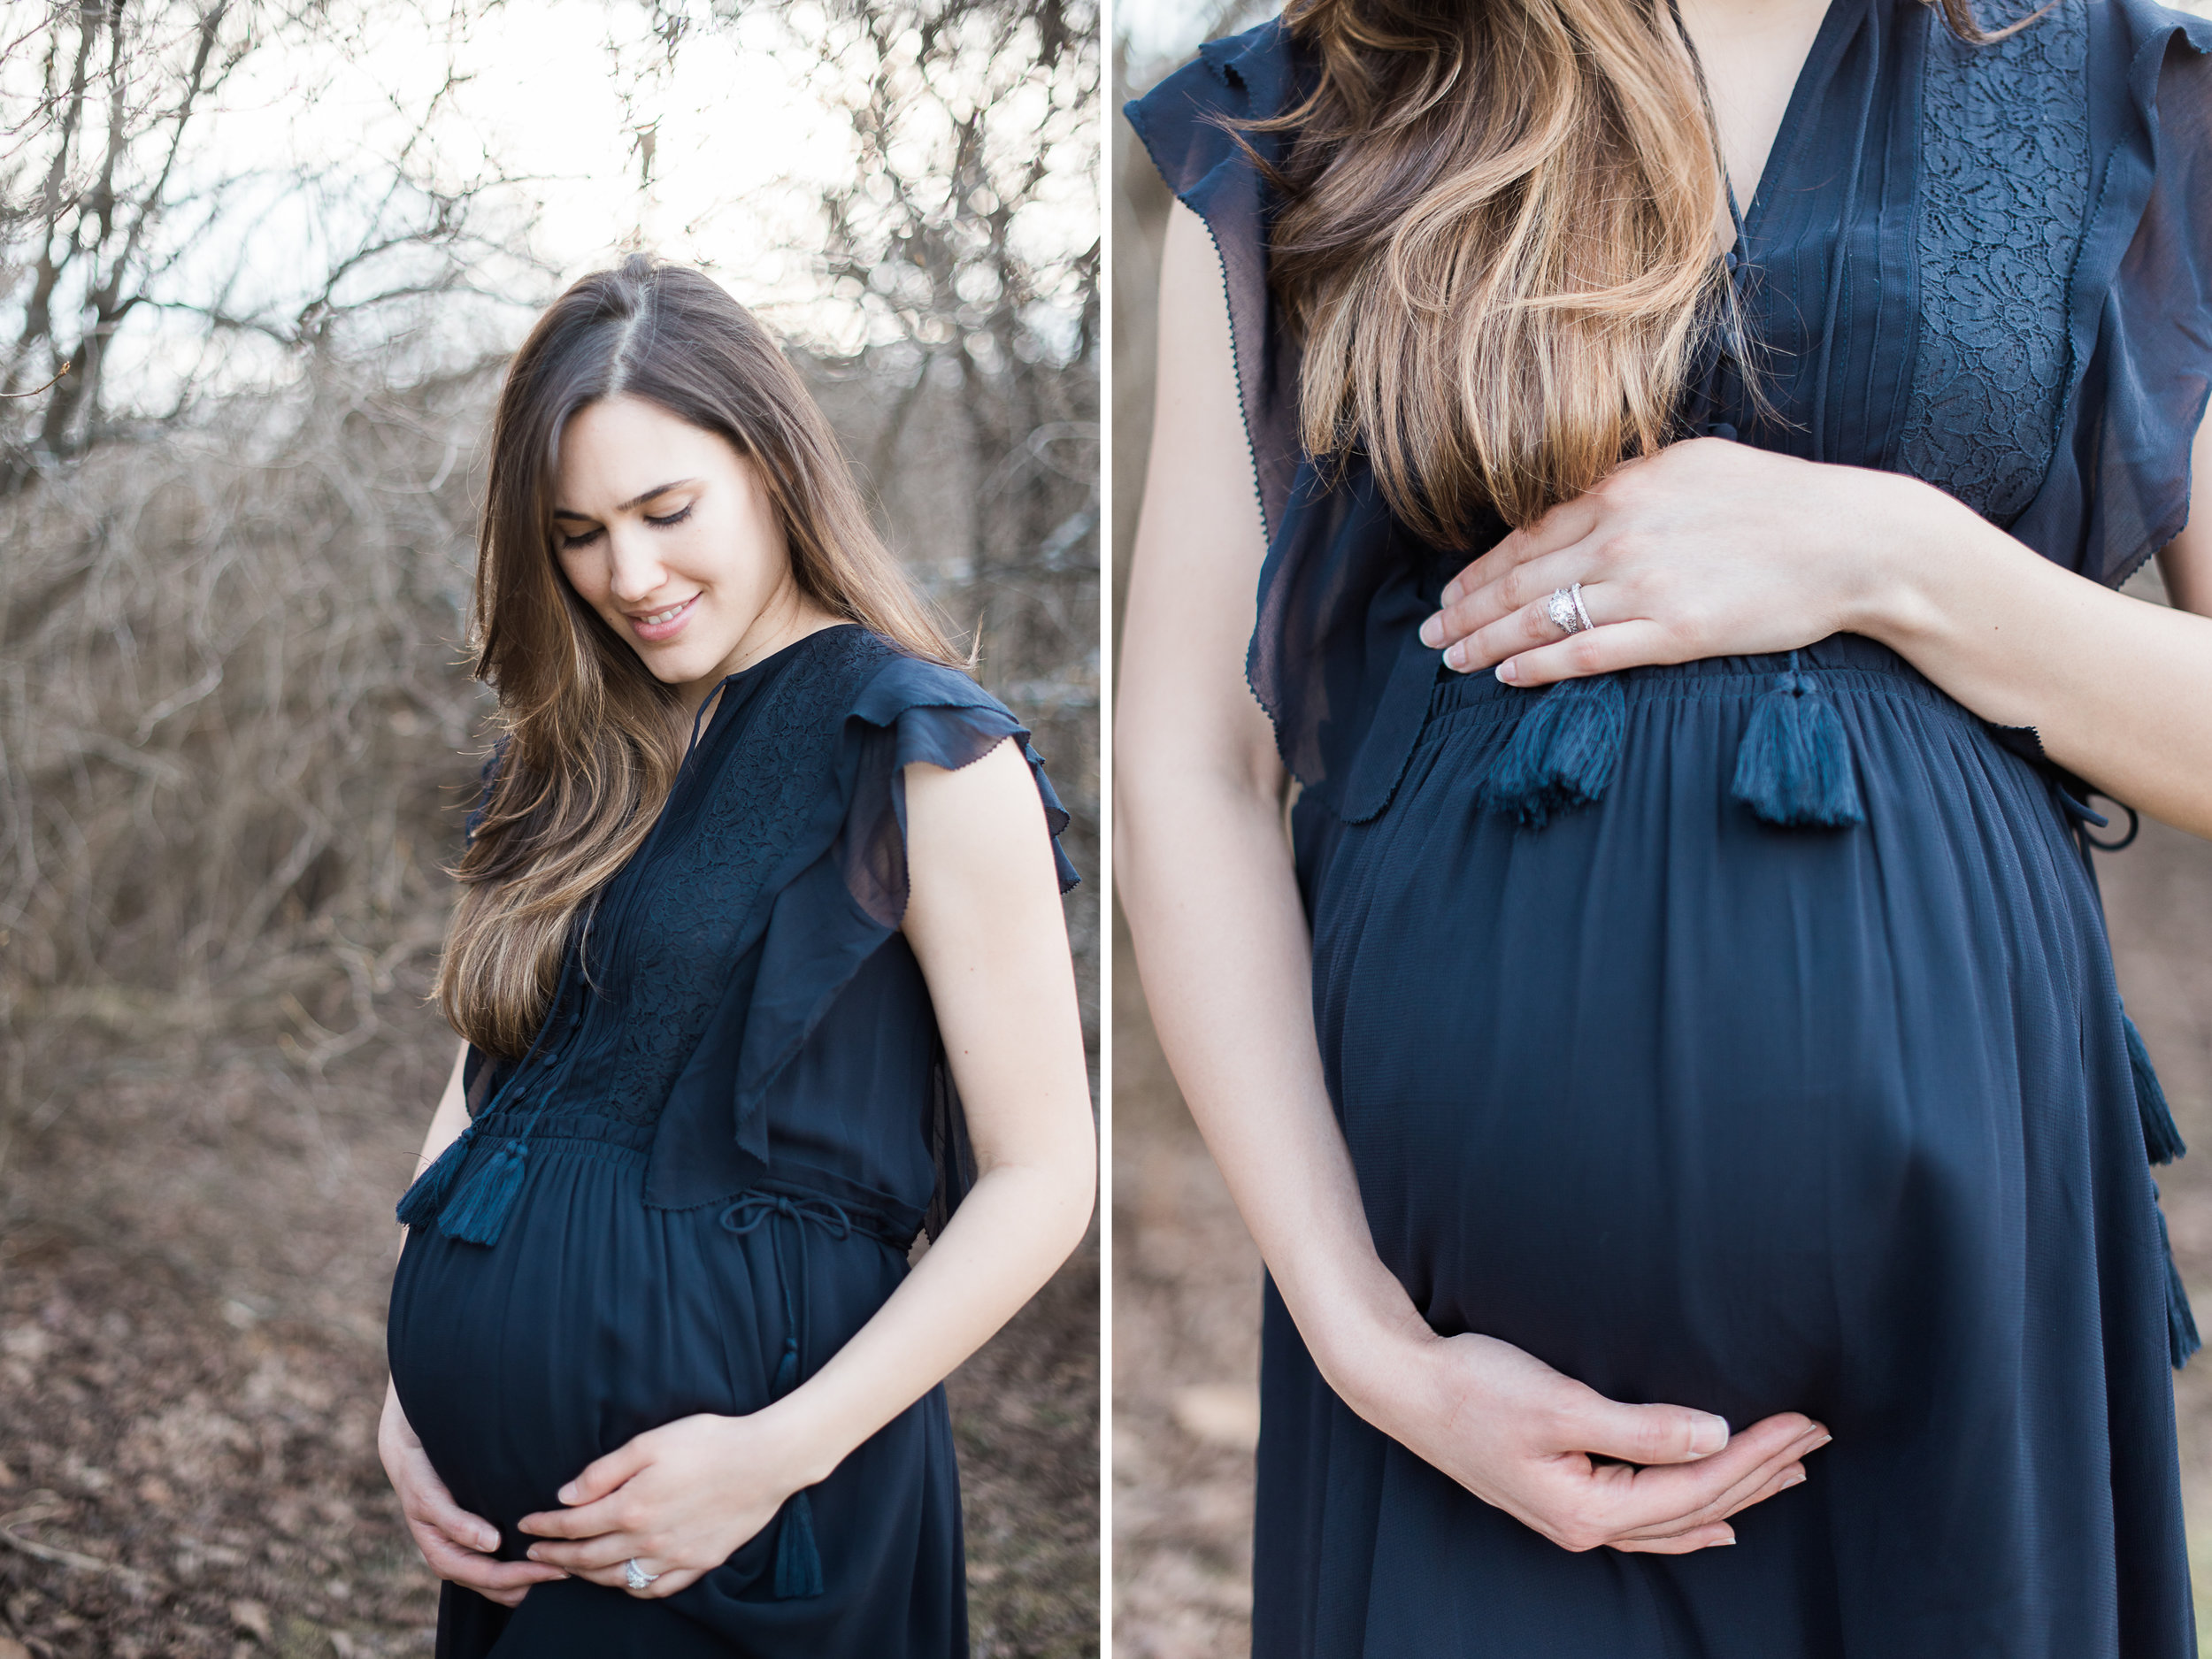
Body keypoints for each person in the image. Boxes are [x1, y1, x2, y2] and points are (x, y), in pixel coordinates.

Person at [1118, 0, 2212, 1652]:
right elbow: (1188, 755)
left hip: (1966, 1300)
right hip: (1457, 1358)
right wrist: (1369, 1344)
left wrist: (1890, 557)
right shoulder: (1327, 89)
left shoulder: (2146, 96)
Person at [374, 257, 1094, 1658]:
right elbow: (488, 1092)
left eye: (667, 511)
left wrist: (777, 1454)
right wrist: (412, 1398)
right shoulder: (569, 755)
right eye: (578, 533)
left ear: (771, 466)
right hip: (509, 1543)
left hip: (756, 1527)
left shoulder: (923, 747)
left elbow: (1043, 1178)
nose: (628, 576)